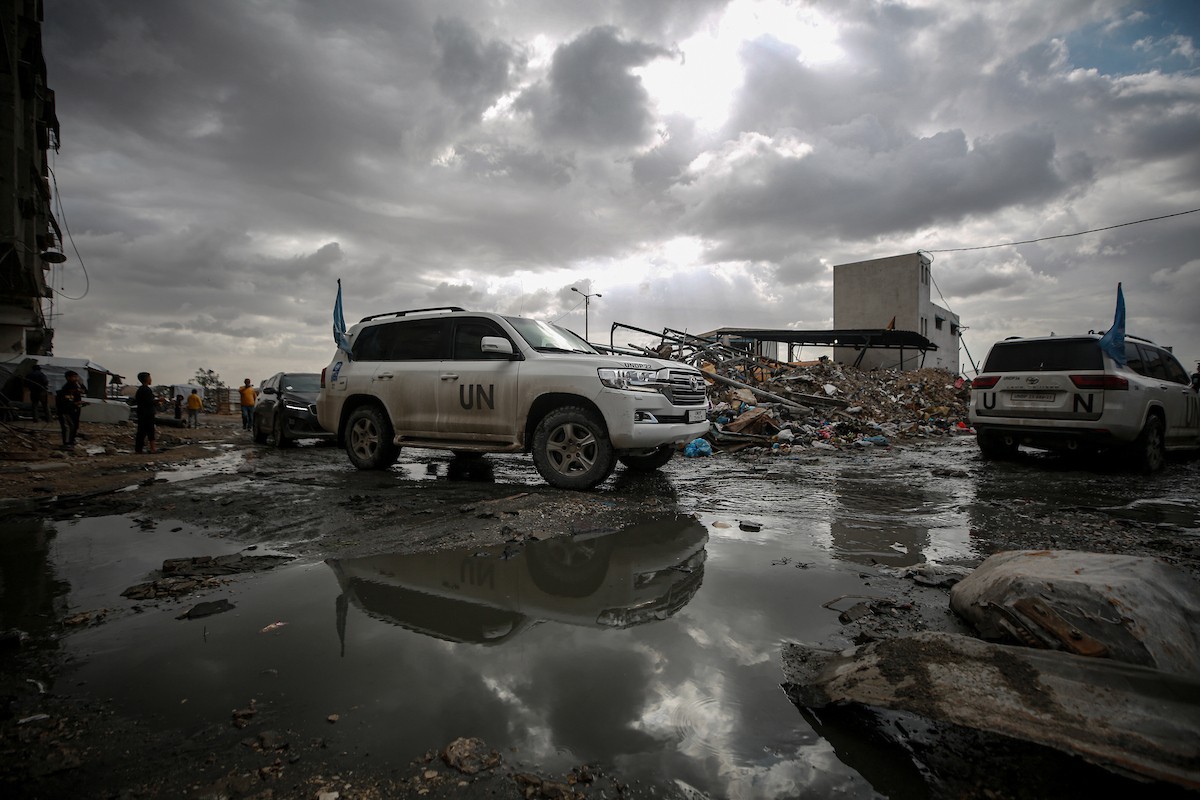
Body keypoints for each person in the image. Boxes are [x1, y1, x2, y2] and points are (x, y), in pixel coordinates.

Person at [54, 370, 87, 448]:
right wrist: (76, 403)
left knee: (74, 425)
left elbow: (84, 391)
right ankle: (67, 443)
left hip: (74, 409)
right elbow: (66, 401)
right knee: (68, 426)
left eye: (76, 377)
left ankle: (72, 440)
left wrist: (81, 384)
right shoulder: (67, 387)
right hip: (66, 409)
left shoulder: (76, 385)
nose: (76, 378)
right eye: (74, 377)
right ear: (68, 378)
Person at [134, 371, 157, 454]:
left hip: (141, 413)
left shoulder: (140, 390)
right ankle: (153, 448)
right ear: (147, 379)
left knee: (141, 431)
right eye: (150, 378)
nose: (151, 379)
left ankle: (138, 449)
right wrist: (158, 401)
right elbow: (149, 402)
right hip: (148, 413)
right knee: (150, 430)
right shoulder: (146, 389)